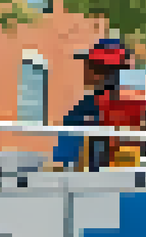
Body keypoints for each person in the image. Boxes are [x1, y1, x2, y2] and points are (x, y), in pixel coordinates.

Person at [51, 38, 131, 171]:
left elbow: (64, 162)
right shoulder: (142, 107)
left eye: (90, 65)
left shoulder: (82, 111)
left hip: (93, 184)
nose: (85, 69)